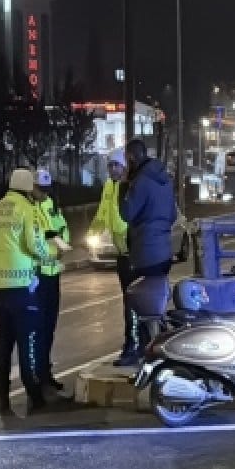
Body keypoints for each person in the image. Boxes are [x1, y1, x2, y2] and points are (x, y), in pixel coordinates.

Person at [0, 168, 54, 415]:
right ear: (27, 187)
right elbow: (34, 244)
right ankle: (35, 396)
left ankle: (2, 398)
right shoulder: (26, 209)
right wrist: (51, 253)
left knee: (4, 345)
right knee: (29, 343)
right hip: (23, 285)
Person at [116, 139, 178, 365]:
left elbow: (126, 213)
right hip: (163, 251)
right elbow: (172, 215)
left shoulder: (140, 183)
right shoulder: (164, 180)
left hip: (145, 252)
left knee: (139, 303)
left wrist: (122, 187)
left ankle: (142, 351)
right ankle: (161, 348)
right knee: (157, 304)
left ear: (132, 158)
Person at [89, 149, 135, 366]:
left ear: (125, 167)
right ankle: (133, 344)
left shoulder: (131, 186)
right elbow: (102, 213)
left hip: (133, 253)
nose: (113, 169)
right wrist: (91, 234)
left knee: (133, 302)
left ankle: (133, 346)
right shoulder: (109, 186)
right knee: (128, 301)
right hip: (121, 254)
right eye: (110, 166)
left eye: (117, 165)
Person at [33, 169, 69, 392]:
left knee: (49, 327)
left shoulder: (53, 207)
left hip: (52, 273)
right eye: (40, 189)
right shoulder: (28, 210)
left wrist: (62, 246)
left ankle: (45, 372)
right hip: (36, 274)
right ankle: (35, 374)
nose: (43, 193)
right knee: (36, 329)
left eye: (46, 189)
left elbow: (63, 231)